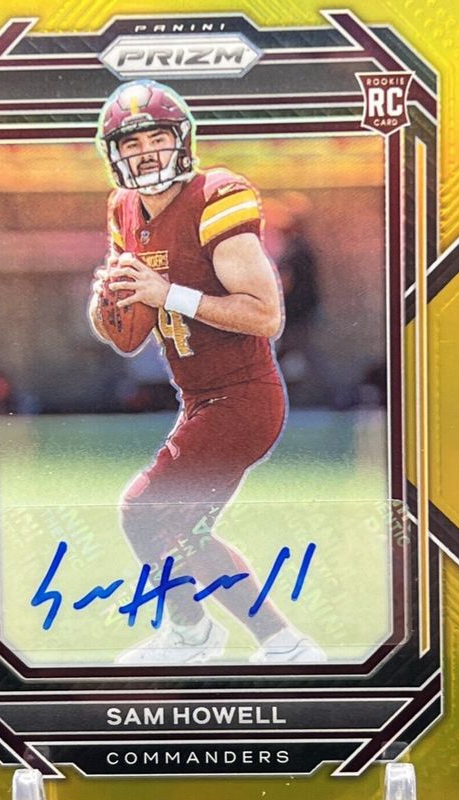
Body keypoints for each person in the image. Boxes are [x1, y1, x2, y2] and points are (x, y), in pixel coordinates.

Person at [88, 80, 325, 666]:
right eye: (131, 143)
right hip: (197, 400)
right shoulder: (124, 209)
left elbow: (266, 316)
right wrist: (106, 303)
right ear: (114, 154)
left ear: (182, 141)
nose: (145, 152)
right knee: (178, 530)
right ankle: (274, 642)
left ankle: (203, 635)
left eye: (156, 138)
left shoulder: (216, 196)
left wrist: (167, 292)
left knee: (145, 510)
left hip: (243, 397)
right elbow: (127, 338)